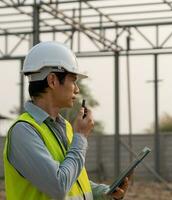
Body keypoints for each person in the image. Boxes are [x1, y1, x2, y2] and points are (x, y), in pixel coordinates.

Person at [3, 41, 130, 200]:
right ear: (52, 80)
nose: (77, 89)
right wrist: (81, 137)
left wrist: (103, 192)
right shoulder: (24, 131)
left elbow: (72, 180)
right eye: (73, 80)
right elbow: (58, 185)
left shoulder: (66, 128)